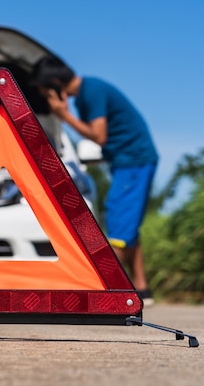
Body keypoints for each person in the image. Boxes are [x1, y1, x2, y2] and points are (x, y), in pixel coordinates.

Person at [31, 55, 158, 306]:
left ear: (56, 83)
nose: (46, 96)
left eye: (45, 91)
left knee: (118, 219)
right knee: (128, 224)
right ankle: (142, 289)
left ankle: (100, 288)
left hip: (134, 161)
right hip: (129, 161)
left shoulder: (91, 91)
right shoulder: (89, 91)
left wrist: (63, 115)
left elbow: (98, 136)